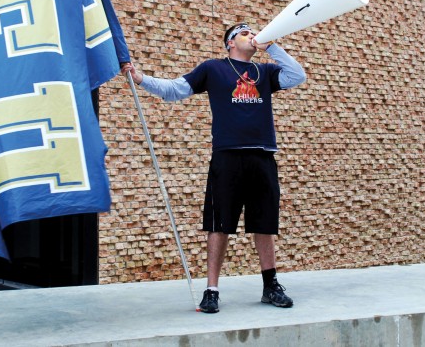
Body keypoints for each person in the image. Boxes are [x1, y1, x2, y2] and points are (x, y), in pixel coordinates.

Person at [121, 22, 306, 313]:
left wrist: (271, 46)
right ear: (231, 43)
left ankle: (270, 286)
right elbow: (174, 90)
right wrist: (141, 78)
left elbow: (298, 75)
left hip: (262, 156)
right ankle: (212, 290)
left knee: (264, 223)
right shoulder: (213, 68)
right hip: (227, 156)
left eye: (254, 33)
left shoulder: (266, 72)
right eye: (245, 33)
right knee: (219, 224)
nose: (252, 36)